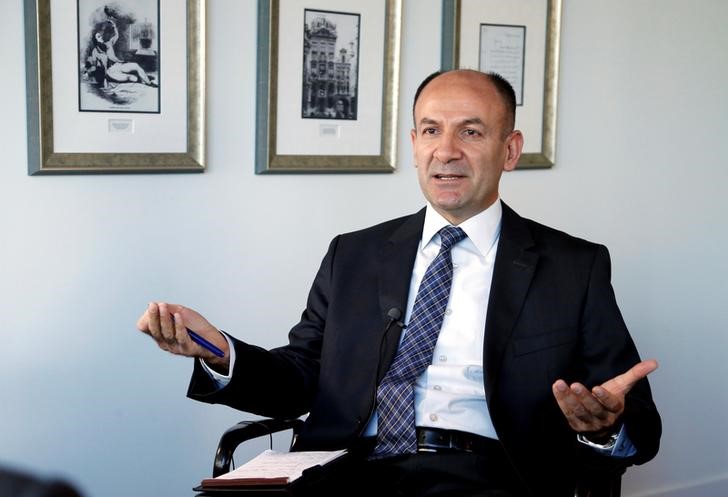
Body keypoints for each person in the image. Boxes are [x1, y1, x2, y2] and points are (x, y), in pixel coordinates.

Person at [136, 69, 661, 496]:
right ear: (414, 144)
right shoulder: (355, 253)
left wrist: (602, 427)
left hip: (487, 473)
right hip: (344, 469)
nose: (446, 150)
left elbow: (635, 416)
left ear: (510, 149)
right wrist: (220, 350)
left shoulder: (573, 266)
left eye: (471, 132)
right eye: (431, 130)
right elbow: (302, 375)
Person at [88, 18, 157, 88]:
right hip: (110, 72)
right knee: (133, 78)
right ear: (95, 40)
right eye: (98, 37)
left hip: (118, 65)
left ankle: (149, 83)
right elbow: (95, 66)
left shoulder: (109, 43)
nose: (101, 37)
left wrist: (114, 26)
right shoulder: (95, 52)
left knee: (136, 65)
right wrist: (91, 72)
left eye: (101, 36)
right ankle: (137, 78)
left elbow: (116, 36)